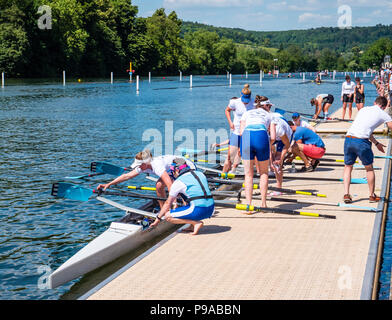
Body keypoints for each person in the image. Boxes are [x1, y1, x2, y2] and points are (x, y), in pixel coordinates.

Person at [97, 150, 196, 208]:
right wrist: (108, 184)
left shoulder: (157, 166)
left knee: (181, 189)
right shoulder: (143, 166)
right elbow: (127, 176)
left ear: (145, 163)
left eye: (139, 165)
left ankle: (185, 208)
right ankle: (164, 209)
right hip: (172, 170)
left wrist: (173, 202)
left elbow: (170, 186)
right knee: (159, 186)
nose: (138, 167)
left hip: (185, 167)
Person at [343, 96, 392, 204]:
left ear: (375, 102)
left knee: (348, 167)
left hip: (349, 138)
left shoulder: (364, 109)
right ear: (384, 106)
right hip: (362, 142)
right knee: (369, 168)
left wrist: (376, 143)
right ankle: (371, 195)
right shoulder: (383, 114)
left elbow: (364, 128)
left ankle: (346, 194)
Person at [149, 158, 214, 236]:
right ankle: (191, 226)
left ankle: (195, 223)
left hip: (200, 210)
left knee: (168, 216)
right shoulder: (200, 174)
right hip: (211, 209)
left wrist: (158, 219)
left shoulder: (179, 182)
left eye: (172, 171)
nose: (172, 173)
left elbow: (167, 203)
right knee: (188, 198)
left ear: (177, 170)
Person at [238, 97, 273, 213]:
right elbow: (272, 137)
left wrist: (240, 147)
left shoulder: (247, 113)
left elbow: (241, 133)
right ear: (265, 106)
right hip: (261, 136)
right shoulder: (269, 115)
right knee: (263, 173)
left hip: (247, 137)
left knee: (248, 175)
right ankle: (263, 204)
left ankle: (248, 206)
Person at [224, 85, 254, 173]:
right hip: (236, 131)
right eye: (244, 101)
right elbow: (227, 110)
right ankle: (223, 175)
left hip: (248, 132)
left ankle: (233, 170)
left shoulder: (254, 102)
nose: (245, 103)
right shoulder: (235, 102)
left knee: (240, 153)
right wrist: (230, 122)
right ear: (241, 95)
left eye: (247, 101)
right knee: (230, 156)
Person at [270, 110, 293, 189]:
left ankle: (279, 188)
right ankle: (272, 168)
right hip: (277, 119)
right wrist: (270, 162)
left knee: (277, 160)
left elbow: (287, 146)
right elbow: (267, 149)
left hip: (285, 136)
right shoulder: (262, 129)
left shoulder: (279, 129)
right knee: (271, 158)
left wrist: (280, 159)